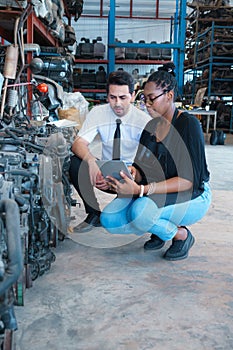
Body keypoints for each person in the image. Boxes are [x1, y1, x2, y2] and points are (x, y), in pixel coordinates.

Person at [100, 63, 212, 261]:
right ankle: (160, 229)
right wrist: (129, 175)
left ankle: (181, 235)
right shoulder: (151, 126)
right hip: (158, 191)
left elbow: (188, 181)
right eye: (144, 99)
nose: (147, 104)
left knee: (140, 213)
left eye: (152, 98)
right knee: (110, 219)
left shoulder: (188, 125)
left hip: (191, 194)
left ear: (169, 95)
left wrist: (141, 191)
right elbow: (141, 168)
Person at [69, 70, 151, 233]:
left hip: (133, 177)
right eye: (112, 97)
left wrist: (131, 177)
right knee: (75, 162)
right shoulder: (98, 113)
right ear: (107, 96)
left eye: (123, 98)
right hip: (104, 173)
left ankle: (145, 216)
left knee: (133, 216)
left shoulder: (144, 121)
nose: (117, 103)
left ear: (133, 95)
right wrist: (92, 163)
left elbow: (150, 161)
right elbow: (78, 143)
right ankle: (93, 213)